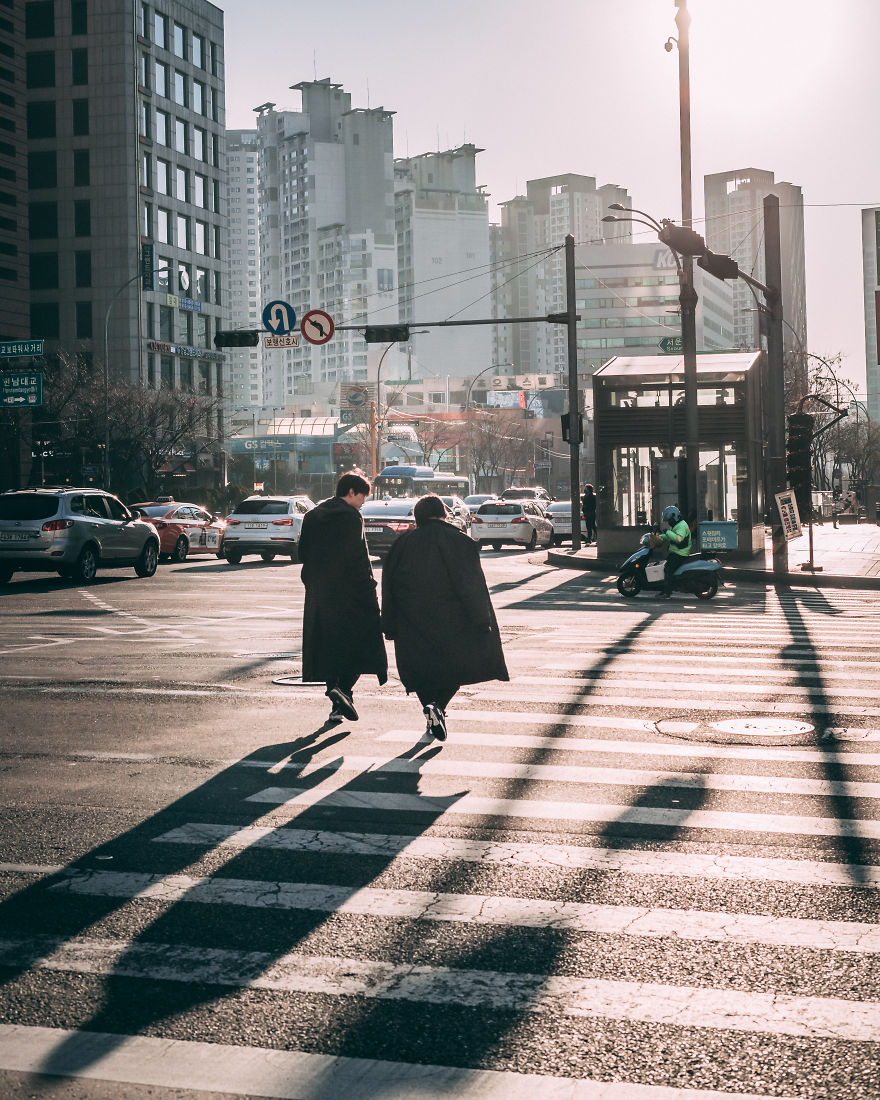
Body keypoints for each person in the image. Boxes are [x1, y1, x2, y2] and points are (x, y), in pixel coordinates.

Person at [381, 494, 509, 742]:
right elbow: (471, 584)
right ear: (444, 514)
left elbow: (389, 586)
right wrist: (481, 620)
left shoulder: (401, 544)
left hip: (411, 621)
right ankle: (438, 706)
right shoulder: (459, 541)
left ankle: (430, 705)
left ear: (418, 518)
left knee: (420, 671)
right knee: (457, 668)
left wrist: (388, 623)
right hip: (454, 621)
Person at [297, 471, 388, 723]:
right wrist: (369, 587)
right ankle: (344, 689)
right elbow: (357, 557)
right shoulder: (351, 517)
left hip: (320, 593)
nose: (363, 503)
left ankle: (337, 700)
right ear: (351, 492)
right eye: (362, 497)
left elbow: (302, 553)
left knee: (328, 645)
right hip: (351, 593)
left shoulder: (312, 515)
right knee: (362, 643)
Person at [651, 504, 692, 599]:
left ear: (674, 517)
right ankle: (664, 590)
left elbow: (678, 539)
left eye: (669, 520)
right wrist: (658, 537)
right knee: (664, 567)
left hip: (680, 553)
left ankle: (667, 592)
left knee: (668, 569)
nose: (669, 522)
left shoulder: (681, 526)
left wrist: (667, 532)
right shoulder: (677, 525)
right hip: (676, 552)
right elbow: (670, 536)